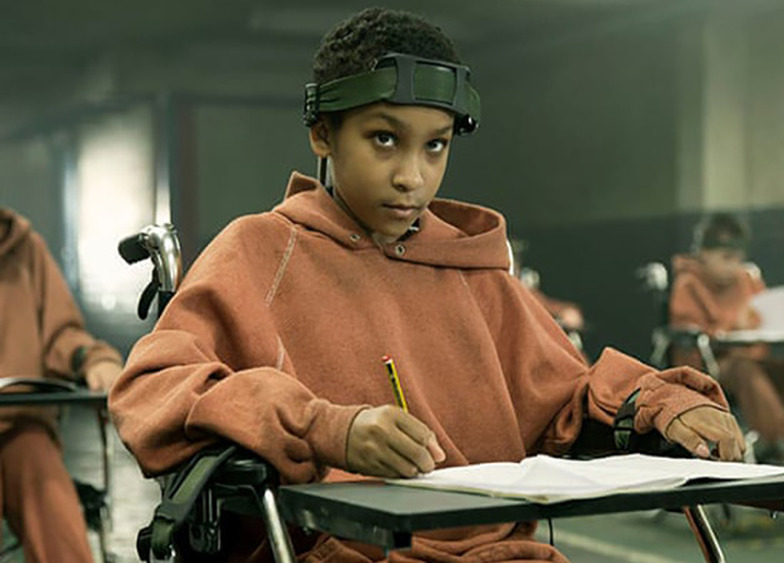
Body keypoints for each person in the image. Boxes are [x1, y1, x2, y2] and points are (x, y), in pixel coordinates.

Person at [109, 8, 744, 563]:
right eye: (383, 139)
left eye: (435, 146)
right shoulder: (260, 251)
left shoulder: (469, 268)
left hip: (502, 552)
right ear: (322, 133)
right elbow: (151, 387)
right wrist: (327, 429)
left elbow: (566, 399)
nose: (412, 177)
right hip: (338, 553)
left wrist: (665, 406)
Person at [669, 213, 784, 471]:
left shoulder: (747, 279)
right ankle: (778, 444)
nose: (732, 267)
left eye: (737, 259)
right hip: (718, 370)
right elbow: (690, 343)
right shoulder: (688, 286)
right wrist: (733, 326)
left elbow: (769, 314)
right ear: (703, 254)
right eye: (725, 259)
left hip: (762, 362)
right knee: (743, 368)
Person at [0, 207, 123, 562]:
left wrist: (93, 359)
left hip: (18, 428)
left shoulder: (25, 250)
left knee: (48, 491)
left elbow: (62, 335)